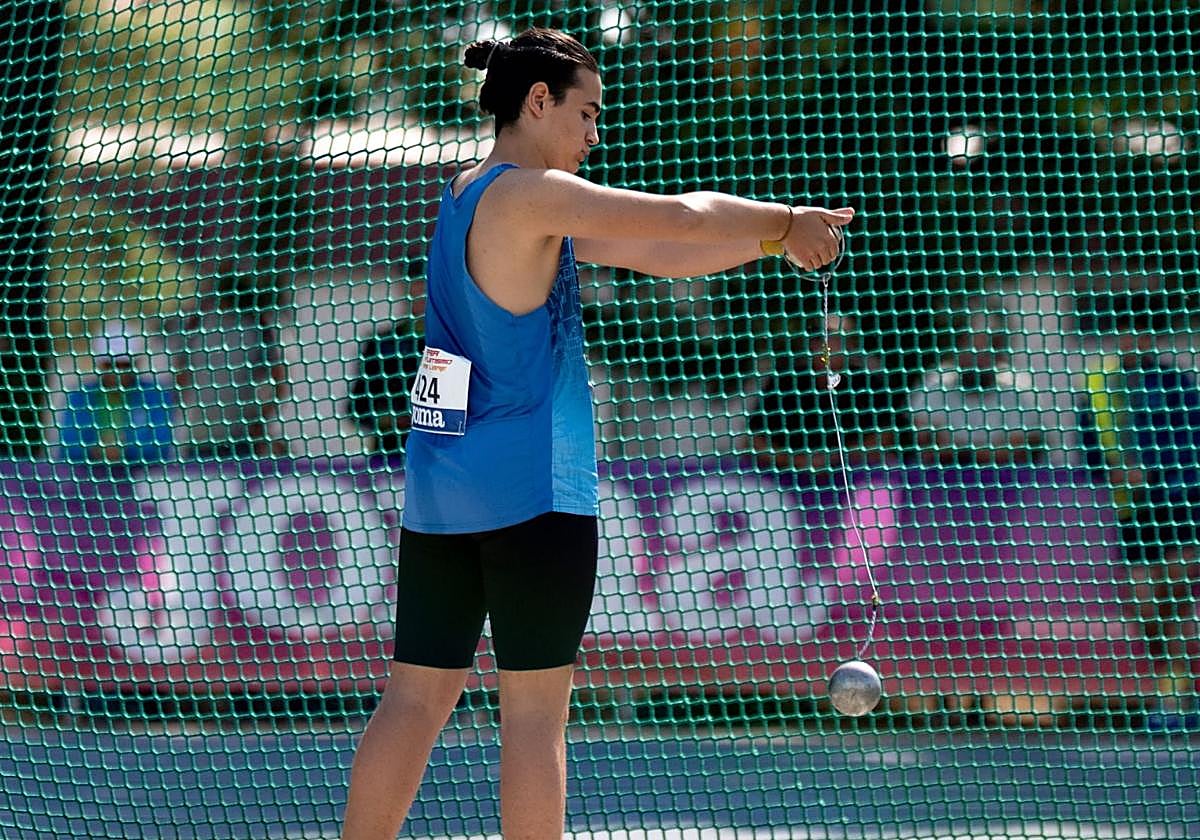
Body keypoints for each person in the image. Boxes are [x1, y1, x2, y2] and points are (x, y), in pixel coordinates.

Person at [339, 27, 854, 840]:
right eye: (586, 113)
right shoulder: (533, 194)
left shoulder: (467, 193)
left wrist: (763, 244)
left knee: (413, 697)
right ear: (538, 102)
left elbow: (653, 250)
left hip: (442, 492)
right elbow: (682, 217)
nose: (594, 132)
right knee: (536, 719)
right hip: (534, 494)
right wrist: (788, 219)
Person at [1077, 291, 1199, 732]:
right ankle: (1170, 686)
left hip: (1181, 508)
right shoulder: (1098, 385)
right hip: (1132, 516)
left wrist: (1156, 474)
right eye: (1123, 332)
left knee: (1179, 598)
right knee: (1146, 608)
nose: (1131, 340)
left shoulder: (1178, 385)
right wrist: (1111, 473)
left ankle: (1178, 699)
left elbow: (1191, 445)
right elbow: (1089, 448)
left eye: (1140, 331)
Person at [748, 312, 904, 474]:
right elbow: (755, 439)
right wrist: (795, 461)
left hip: (854, 476)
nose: (825, 344)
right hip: (787, 479)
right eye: (819, 337)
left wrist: (835, 460)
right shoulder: (785, 381)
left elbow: (885, 436)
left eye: (834, 338)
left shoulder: (867, 384)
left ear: (850, 344)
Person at [908, 311, 1047, 467]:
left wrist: (958, 451)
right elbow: (925, 445)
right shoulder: (935, 383)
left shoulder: (1018, 387)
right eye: (969, 348)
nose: (976, 359)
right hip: (944, 479)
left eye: (985, 350)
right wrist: (990, 451)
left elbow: (1021, 450)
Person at [56, 321, 176, 466]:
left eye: (124, 365)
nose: (117, 372)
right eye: (110, 364)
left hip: (142, 479)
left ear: (136, 363)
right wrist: (95, 451)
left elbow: (161, 447)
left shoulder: (155, 396)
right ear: (100, 364)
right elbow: (68, 448)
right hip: (89, 479)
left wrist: (125, 451)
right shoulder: (79, 398)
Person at [346, 325, 421, 456]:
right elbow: (358, 406)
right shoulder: (384, 344)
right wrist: (387, 418)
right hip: (388, 453)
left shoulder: (448, 344)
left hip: (436, 455)